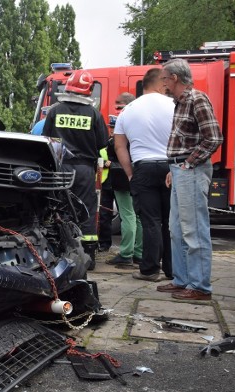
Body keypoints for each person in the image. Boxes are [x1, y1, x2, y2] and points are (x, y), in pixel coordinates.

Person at [159, 58, 223, 300]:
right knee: (177, 229)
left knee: (193, 230)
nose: (163, 83)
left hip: (190, 170)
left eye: (165, 78)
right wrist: (175, 167)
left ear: (174, 78)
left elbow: (214, 138)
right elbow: (186, 140)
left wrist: (187, 163)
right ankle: (183, 280)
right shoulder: (180, 102)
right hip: (181, 170)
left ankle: (199, 286)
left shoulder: (196, 99)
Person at [42, 69, 108, 269]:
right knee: (86, 210)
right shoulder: (94, 114)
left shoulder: (54, 111)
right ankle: (87, 258)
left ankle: (62, 254)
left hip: (61, 168)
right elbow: (102, 144)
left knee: (59, 208)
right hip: (84, 169)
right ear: (88, 91)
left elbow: (47, 139)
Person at [115, 70, 174, 282]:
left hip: (143, 166)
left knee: (150, 221)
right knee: (170, 221)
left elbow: (120, 145)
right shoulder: (173, 105)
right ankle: (171, 269)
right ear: (160, 84)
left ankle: (149, 270)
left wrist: (130, 173)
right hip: (171, 168)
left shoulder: (128, 110)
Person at [106, 94, 144, 266]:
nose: (118, 110)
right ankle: (139, 252)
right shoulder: (140, 124)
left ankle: (126, 253)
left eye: (119, 106)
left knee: (127, 215)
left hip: (122, 177)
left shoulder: (122, 125)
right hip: (139, 174)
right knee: (137, 216)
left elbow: (116, 149)